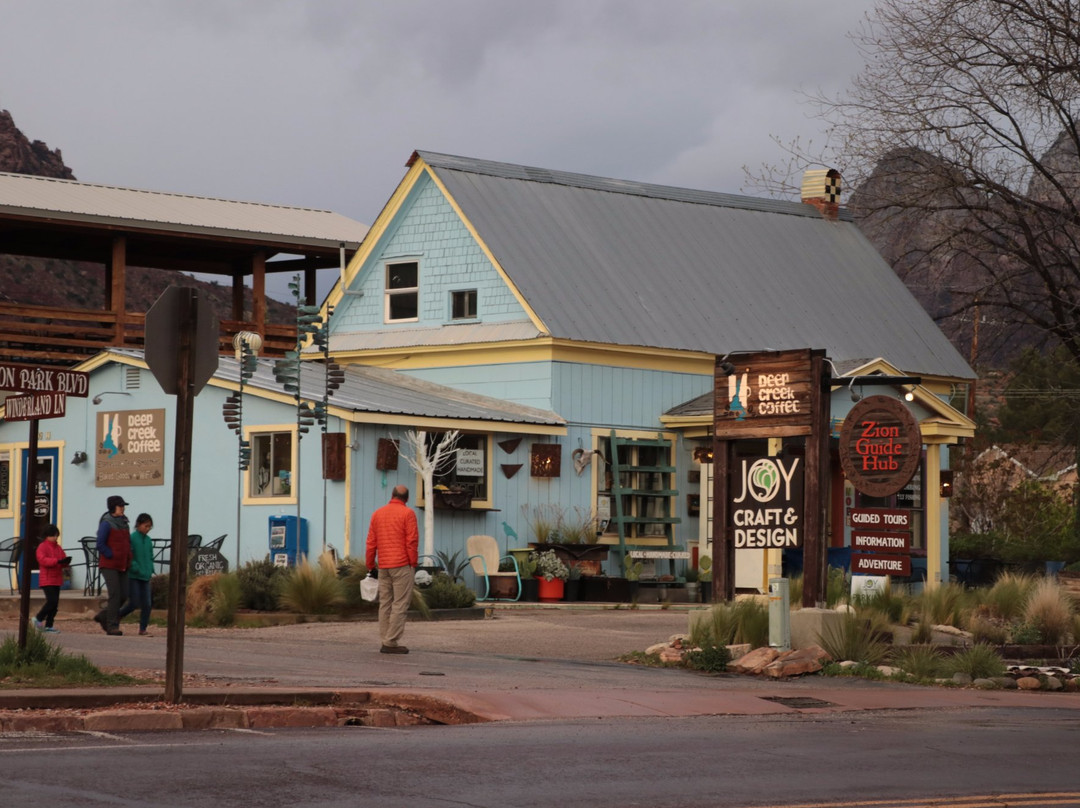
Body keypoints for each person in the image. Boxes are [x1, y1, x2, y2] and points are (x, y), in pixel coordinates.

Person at [365, 485, 419, 654]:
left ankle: (385, 638)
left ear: (392, 495)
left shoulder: (377, 514)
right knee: (400, 603)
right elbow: (411, 541)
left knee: (385, 603)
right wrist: (413, 563)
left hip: (383, 566)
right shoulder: (408, 514)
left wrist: (370, 565)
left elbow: (371, 543)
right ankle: (390, 641)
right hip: (402, 564)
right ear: (407, 499)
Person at [93, 495, 131, 636]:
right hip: (109, 565)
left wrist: (129, 556)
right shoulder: (106, 523)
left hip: (123, 564)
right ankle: (112, 626)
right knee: (115, 595)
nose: (123, 508)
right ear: (113, 507)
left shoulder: (124, 522)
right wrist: (111, 554)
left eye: (123, 506)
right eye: (120, 506)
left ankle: (104, 615)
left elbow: (127, 542)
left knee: (124, 595)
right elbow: (100, 544)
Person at [118, 513, 154, 636]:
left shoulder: (148, 540)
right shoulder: (132, 538)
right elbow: (130, 556)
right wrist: (136, 568)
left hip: (146, 576)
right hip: (134, 576)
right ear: (138, 525)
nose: (147, 529)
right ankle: (118, 615)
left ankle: (143, 628)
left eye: (150, 527)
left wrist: (150, 569)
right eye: (146, 526)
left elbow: (150, 556)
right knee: (134, 602)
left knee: (147, 604)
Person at [33, 523, 69, 633]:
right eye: (53, 535)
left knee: (55, 604)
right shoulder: (42, 547)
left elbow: (62, 558)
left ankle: (49, 625)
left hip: (57, 579)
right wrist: (57, 561)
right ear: (47, 536)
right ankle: (38, 618)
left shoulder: (58, 548)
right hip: (47, 579)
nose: (55, 537)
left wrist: (65, 562)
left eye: (56, 535)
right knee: (51, 601)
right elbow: (43, 560)